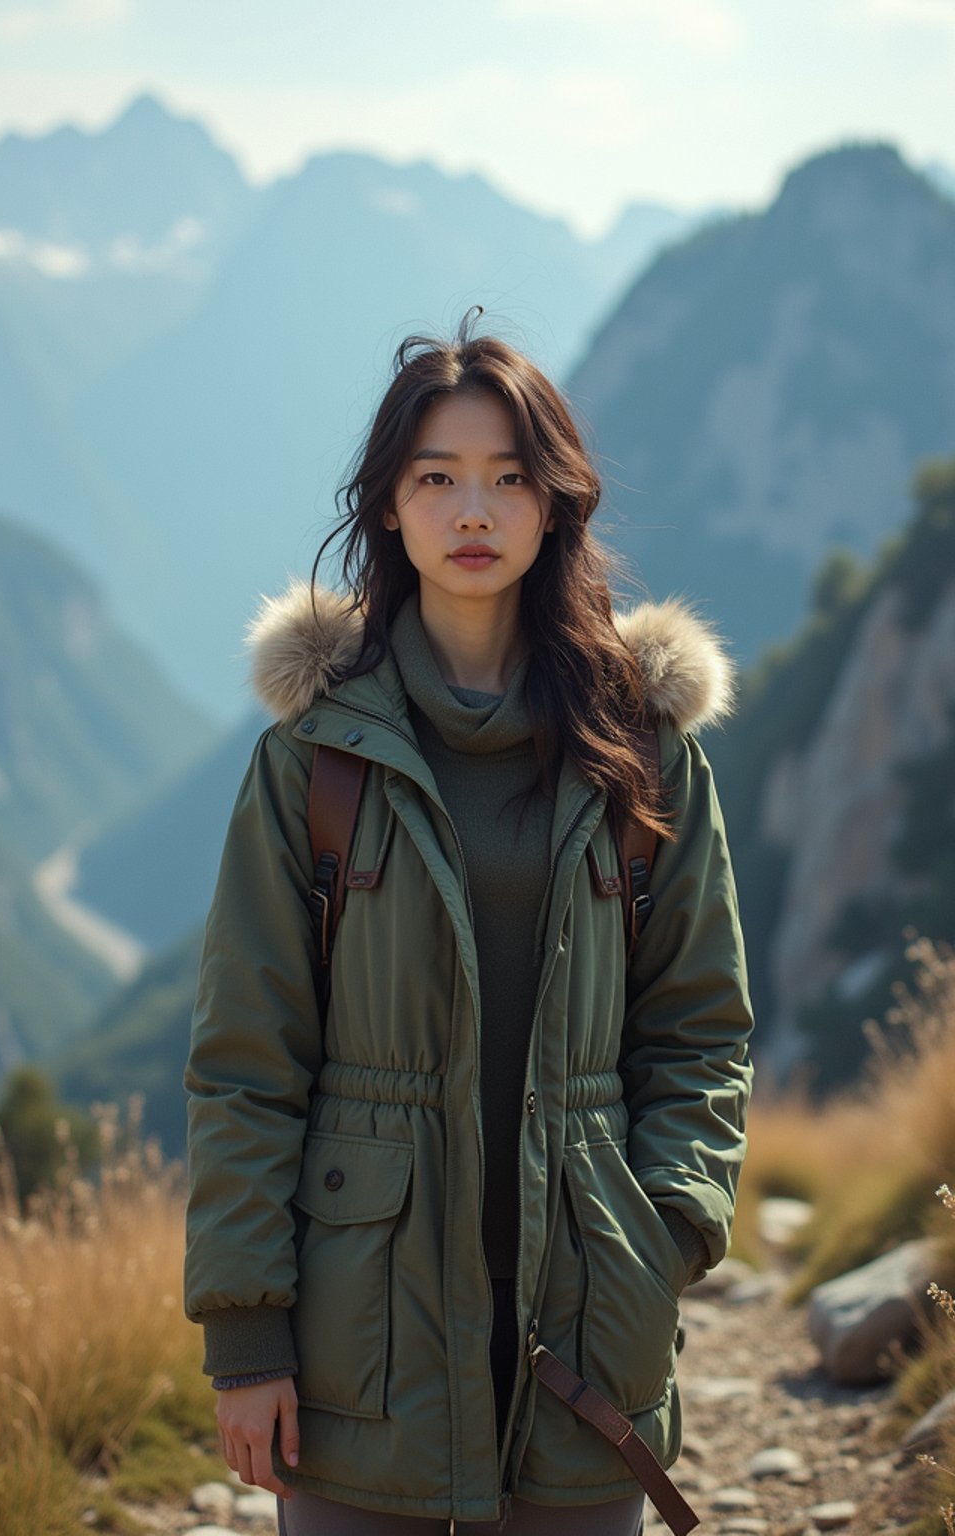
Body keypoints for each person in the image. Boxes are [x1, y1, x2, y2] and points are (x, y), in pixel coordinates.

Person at [183, 312, 754, 1535]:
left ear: (556, 506)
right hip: (359, 1341)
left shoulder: (642, 757)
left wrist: (667, 1232)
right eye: (436, 479)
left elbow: (702, 1027)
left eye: (508, 479)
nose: (474, 512)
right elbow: (246, 1060)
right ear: (388, 506)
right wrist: (245, 1338)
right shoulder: (315, 759)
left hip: (588, 1321)